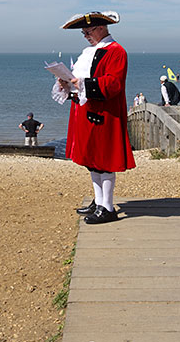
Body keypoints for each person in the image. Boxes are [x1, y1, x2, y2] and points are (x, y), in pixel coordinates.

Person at [54, 11, 135, 225]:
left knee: (104, 161)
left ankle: (107, 207)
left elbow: (113, 84)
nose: (86, 36)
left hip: (104, 112)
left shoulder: (117, 51)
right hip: (87, 110)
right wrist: (68, 85)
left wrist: (81, 84)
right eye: (84, 33)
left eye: (88, 31)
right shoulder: (90, 51)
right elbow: (80, 83)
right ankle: (99, 201)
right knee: (92, 160)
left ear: (101, 28)